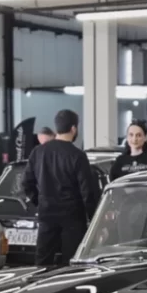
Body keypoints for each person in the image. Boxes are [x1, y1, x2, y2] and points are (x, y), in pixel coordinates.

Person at [22, 109, 98, 266]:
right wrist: (93, 218)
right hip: (73, 219)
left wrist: (40, 202)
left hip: (46, 216)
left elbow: (26, 183)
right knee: (71, 264)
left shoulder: (38, 152)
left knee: (43, 263)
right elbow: (88, 192)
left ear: (56, 127)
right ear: (73, 129)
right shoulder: (77, 156)